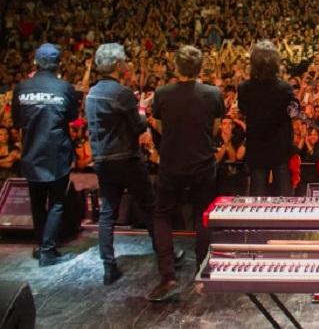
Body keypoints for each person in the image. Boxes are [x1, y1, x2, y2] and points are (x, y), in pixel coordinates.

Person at [147, 45, 225, 302]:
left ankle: (167, 275)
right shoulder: (212, 93)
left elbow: (160, 127)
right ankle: (203, 272)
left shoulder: (162, 93)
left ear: (176, 67)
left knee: (162, 215)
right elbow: (214, 130)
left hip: (171, 164)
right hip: (202, 162)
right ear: (200, 68)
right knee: (204, 214)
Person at [84, 43, 163, 285]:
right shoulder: (122, 93)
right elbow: (139, 127)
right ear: (118, 65)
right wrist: (141, 108)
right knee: (150, 206)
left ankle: (109, 267)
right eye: (125, 61)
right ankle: (165, 256)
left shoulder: (92, 93)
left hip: (102, 160)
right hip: (127, 159)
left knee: (107, 212)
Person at [11, 43, 79, 266]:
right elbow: (71, 117)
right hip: (57, 154)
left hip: (31, 153)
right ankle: (48, 251)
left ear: (35, 62)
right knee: (57, 203)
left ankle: (42, 246)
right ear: (58, 64)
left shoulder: (21, 88)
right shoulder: (65, 88)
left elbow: (17, 121)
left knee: (37, 203)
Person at [237, 40, 295, 196]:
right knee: (285, 198)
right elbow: (294, 112)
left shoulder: (244, 88)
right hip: (280, 149)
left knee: (258, 196)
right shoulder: (285, 88)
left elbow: (243, 109)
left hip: (257, 148)